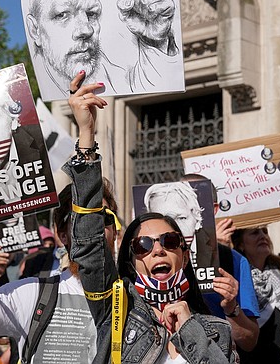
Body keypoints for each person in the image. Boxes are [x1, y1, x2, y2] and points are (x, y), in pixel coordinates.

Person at [64, 74, 238, 362]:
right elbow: (89, 243)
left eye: (170, 241)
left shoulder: (217, 329)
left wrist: (191, 329)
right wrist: (86, 135)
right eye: (144, 244)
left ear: (184, 253)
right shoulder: (116, 315)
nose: (158, 249)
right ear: (131, 259)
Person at [0, 178, 121, 363]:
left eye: (102, 218)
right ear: (63, 235)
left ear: (115, 229)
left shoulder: (136, 297)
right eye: (81, 219)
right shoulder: (35, 294)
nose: (93, 229)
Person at [25, 0, 180, 98]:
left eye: (92, 13)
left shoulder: (119, 78)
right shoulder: (20, 96)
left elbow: (157, 91)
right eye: (63, 15)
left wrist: (154, 43)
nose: (85, 30)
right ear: (34, 29)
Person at [180, 172, 260, 353]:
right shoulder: (154, 258)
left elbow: (249, 340)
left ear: (212, 209)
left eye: (192, 204)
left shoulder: (234, 261)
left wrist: (231, 308)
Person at [232, 226, 280, 364]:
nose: (262, 236)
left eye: (265, 231)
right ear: (241, 244)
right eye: (254, 233)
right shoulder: (237, 279)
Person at [143, 180, 219, 269]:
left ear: (196, 219)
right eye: (162, 221)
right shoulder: (142, 257)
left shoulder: (224, 253)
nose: (174, 228)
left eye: (181, 218)